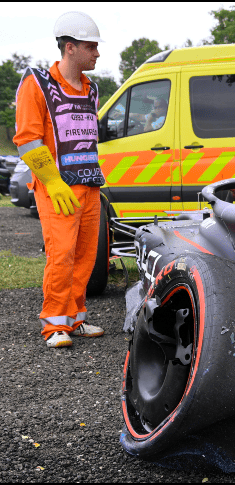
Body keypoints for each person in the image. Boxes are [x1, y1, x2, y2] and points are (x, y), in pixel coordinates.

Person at [14, 11, 106, 348]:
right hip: (57, 187)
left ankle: (74, 319)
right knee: (62, 256)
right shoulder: (37, 84)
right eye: (91, 47)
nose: (97, 53)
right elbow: (27, 139)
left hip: (89, 185)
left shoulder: (91, 89)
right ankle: (54, 325)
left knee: (84, 257)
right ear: (70, 47)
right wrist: (52, 182)